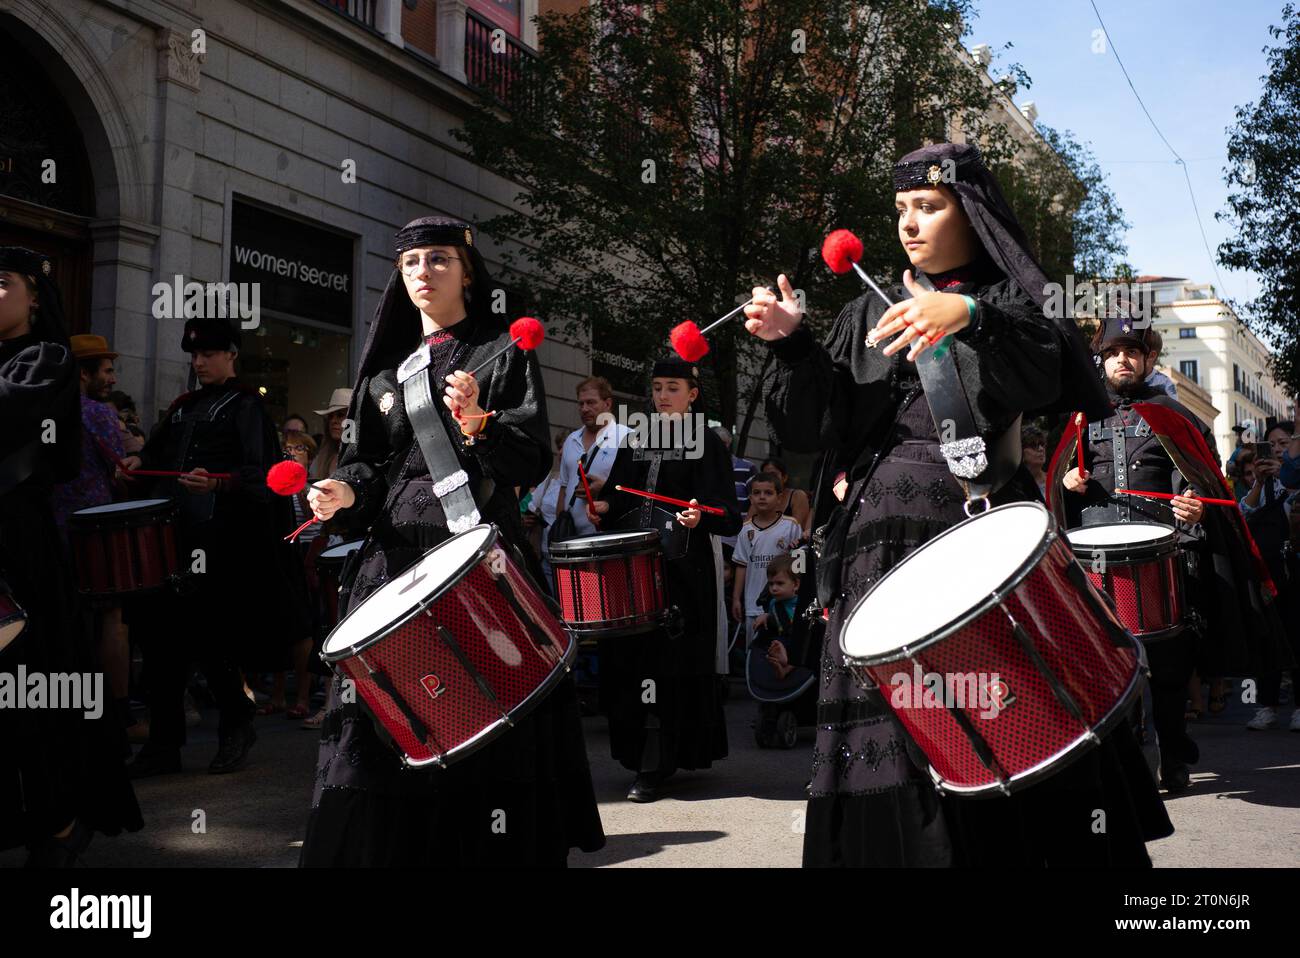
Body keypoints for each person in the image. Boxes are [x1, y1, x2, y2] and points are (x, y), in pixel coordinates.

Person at [744, 141, 1172, 867]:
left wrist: (969, 314)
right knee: (897, 736)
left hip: (975, 543)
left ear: (971, 214)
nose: (910, 224)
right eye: (902, 209)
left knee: (1001, 720)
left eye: (930, 207)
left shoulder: (1009, 300)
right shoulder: (863, 311)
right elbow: (822, 428)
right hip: (875, 557)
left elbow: (1045, 378)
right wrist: (793, 347)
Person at [300, 215, 604, 866]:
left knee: (487, 723)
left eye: (439, 260)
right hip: (392, 564)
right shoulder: (385, 374)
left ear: (468, 270)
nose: (423, 274)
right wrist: (344, 492)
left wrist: (479, 423)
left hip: (474, 554)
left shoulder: (501, 350)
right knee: (385, 728)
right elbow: (366, 465)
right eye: (411, 263)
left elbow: (530, 462)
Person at [0, 246, 142, 865]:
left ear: (34, 297)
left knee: (30, 688)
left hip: (17, 542)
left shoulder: (47, 359)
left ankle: (57, 821)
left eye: (0, 282)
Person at [120, 316, 299, 777]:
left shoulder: (247, 407)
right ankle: (163, 745)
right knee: (161, 644)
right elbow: (156, 457)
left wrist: (219, 484)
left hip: (221, 545)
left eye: (208, 354)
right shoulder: (181, 406)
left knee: (213, 641)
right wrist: (138, 461)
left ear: (231, 355)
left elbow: (264, 478)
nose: (198, 362)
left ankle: (237, 726)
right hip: (170, 540)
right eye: (194, 355)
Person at [1059, 318, 1212, 792]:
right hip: (1094, 561)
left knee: (1167, 667)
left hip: (1159, 555)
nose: (1122, 359)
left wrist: (1193, 502)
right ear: (1100, 360)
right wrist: (1067, 487)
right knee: (1107, 665)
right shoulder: (1079, 417)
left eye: (1132, 352)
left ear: (1148, 360)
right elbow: (1055, 492)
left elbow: (1199, 479)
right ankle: (1125, 763)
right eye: (1113, 352)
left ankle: (1175, 754)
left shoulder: (1173, 415)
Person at [589, 356, 742, 802]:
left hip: (683, 576)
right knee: (633, 661)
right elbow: (618, 500)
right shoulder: (637, 438)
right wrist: (602, 509)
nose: (661, 396)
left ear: (692, 394)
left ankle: (660, 761)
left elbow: (728, 515)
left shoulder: (709, 443)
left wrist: (700, 517)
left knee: (670, 668)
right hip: (637, 571)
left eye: (672, 387)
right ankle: (640, 755)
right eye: (657, 387)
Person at [1239, 422, 1300, 731]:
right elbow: (1244, 513)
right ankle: (1266, 705)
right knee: (1268, 637)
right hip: (1268, 571)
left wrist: (1285, 475)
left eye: (1283, 443)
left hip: (1295, 569)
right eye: (1271, 445)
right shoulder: (1261, 485)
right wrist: (1260, 484)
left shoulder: (1293, 480)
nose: (1277, 450)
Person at [555, 376, 631, 541]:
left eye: (591, 402)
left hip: (608, 537)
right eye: (581, 404)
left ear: (608, 404)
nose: (584, 408)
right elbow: (563, 488)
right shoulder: (571, 440)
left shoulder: (627, 438)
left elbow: (636, 490)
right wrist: (560, 525)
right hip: (572, 539)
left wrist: (604, 488)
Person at [732, 472, 802, 647]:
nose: (762, 497)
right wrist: (736, 599)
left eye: (768, 493)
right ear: (750, 498)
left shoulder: (791, 526)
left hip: (785, 603)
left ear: (779, 498)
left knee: (782, 648)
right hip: (753, 603)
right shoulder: (744, 530)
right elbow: (742, 566)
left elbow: (800, 565)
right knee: (755, 650)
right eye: (757, 493)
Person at [755, 554, 804, 681]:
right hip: (782, 638)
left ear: (796, 585)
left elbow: (825, 613)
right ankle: (780, 660)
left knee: (800, 645)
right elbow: (774, 619)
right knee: (773, 642)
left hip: (799, 639)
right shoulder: (773, 604)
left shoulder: (803, 602)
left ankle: (785, 666)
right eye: (771, 584)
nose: (774, 588)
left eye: (780, 583)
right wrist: (766, 616)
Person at [752, 458, 812, 540]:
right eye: (766, 476)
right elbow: (747, 527)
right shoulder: (760, 498)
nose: (770, 479)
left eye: (774, 475)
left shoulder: (797, 496)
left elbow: (795, 531)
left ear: (784, 478)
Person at [1022, 425, 1048, 501]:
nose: (1041, 449)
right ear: (1021, 451)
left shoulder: (1054, 480)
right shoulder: (1018, 488)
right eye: (1033, 445)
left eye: (1042, 444)